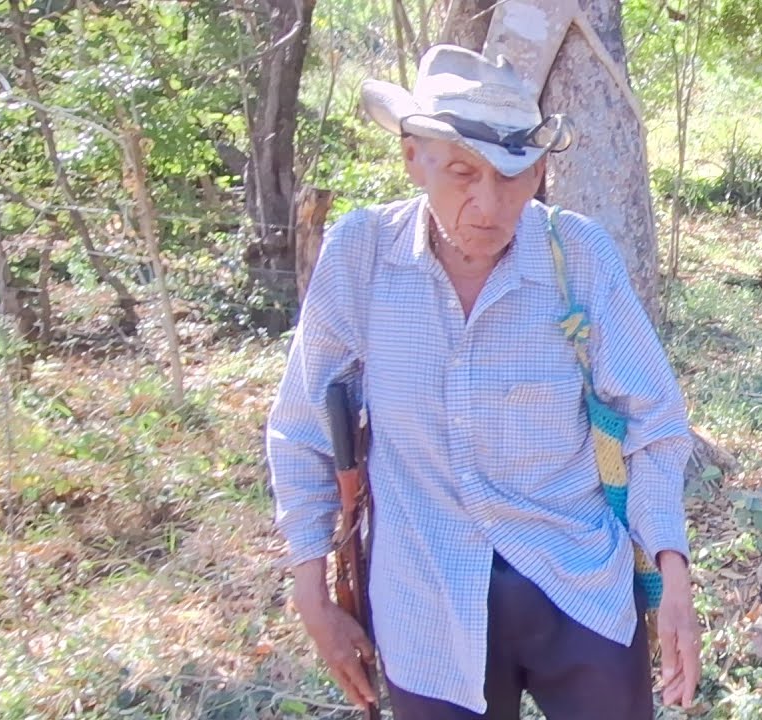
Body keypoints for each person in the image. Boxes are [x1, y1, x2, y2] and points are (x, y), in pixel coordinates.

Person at [266, 44, 701, 720]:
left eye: (513, 175)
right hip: (426, 603)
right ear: (414, 157)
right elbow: (300, 429)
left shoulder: (577, 256)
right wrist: (311, 587)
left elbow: (653, 421)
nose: (489, 204)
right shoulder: (362, 255)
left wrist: (672, 575)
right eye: (463, 172)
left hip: (577, 582)